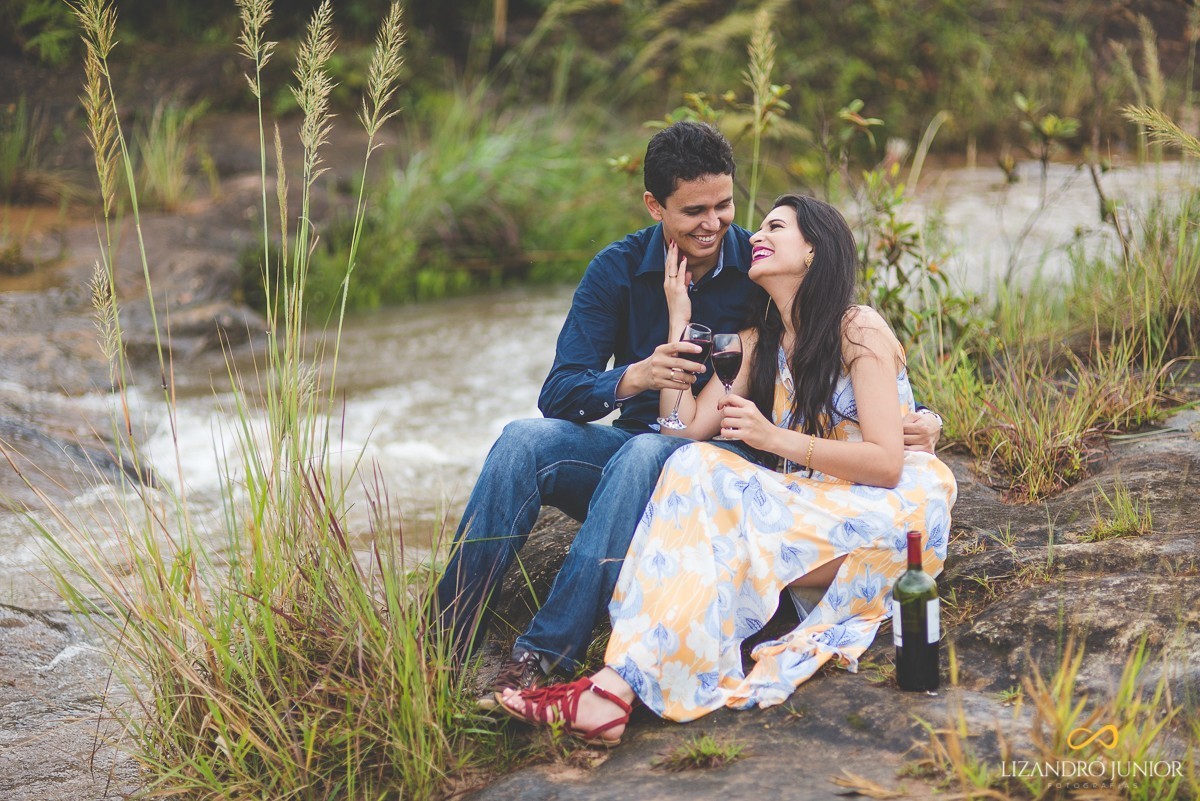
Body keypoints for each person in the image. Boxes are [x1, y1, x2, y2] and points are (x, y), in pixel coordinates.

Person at [436, 122, 943, 702]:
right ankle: (441, 644)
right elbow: (560, 393)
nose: (713, 224)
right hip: (634, 446)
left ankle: (542, 655)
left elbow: (841, 342)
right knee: (525, 438)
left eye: (724, 205)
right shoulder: (616, 270)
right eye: (693, 210)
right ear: (655, 204)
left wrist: (925, 416)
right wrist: (637, 376)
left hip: (725, 459)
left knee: (656, 450)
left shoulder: (761, 265)